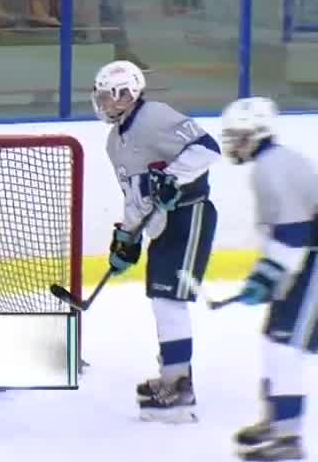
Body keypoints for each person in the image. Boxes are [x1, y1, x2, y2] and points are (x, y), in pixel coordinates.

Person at [93, 59, 220, 422]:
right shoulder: (114, 142)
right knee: (161, 299)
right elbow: (136, 195)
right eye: (100, 97)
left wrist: (173, 179)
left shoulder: (154, 115)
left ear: (128, 94)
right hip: (164, 224)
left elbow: (207, 148)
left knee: (169, 300)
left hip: (189, 214)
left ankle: (179, 386)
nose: (103, 103)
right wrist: (127, 238)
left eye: (108, 96)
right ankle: (173, 377)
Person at [218, 97, 316, 461]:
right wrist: (267, 277)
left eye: (239, 136)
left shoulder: (272, 168)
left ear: (258, 133)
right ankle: (278, 420)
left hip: (312, 264)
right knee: (274, 340)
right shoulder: (272, 163)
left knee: (286, 346)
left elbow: (294, 235)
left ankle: (289, 438)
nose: (234, 144)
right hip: (304, 263)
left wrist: (266, 279)